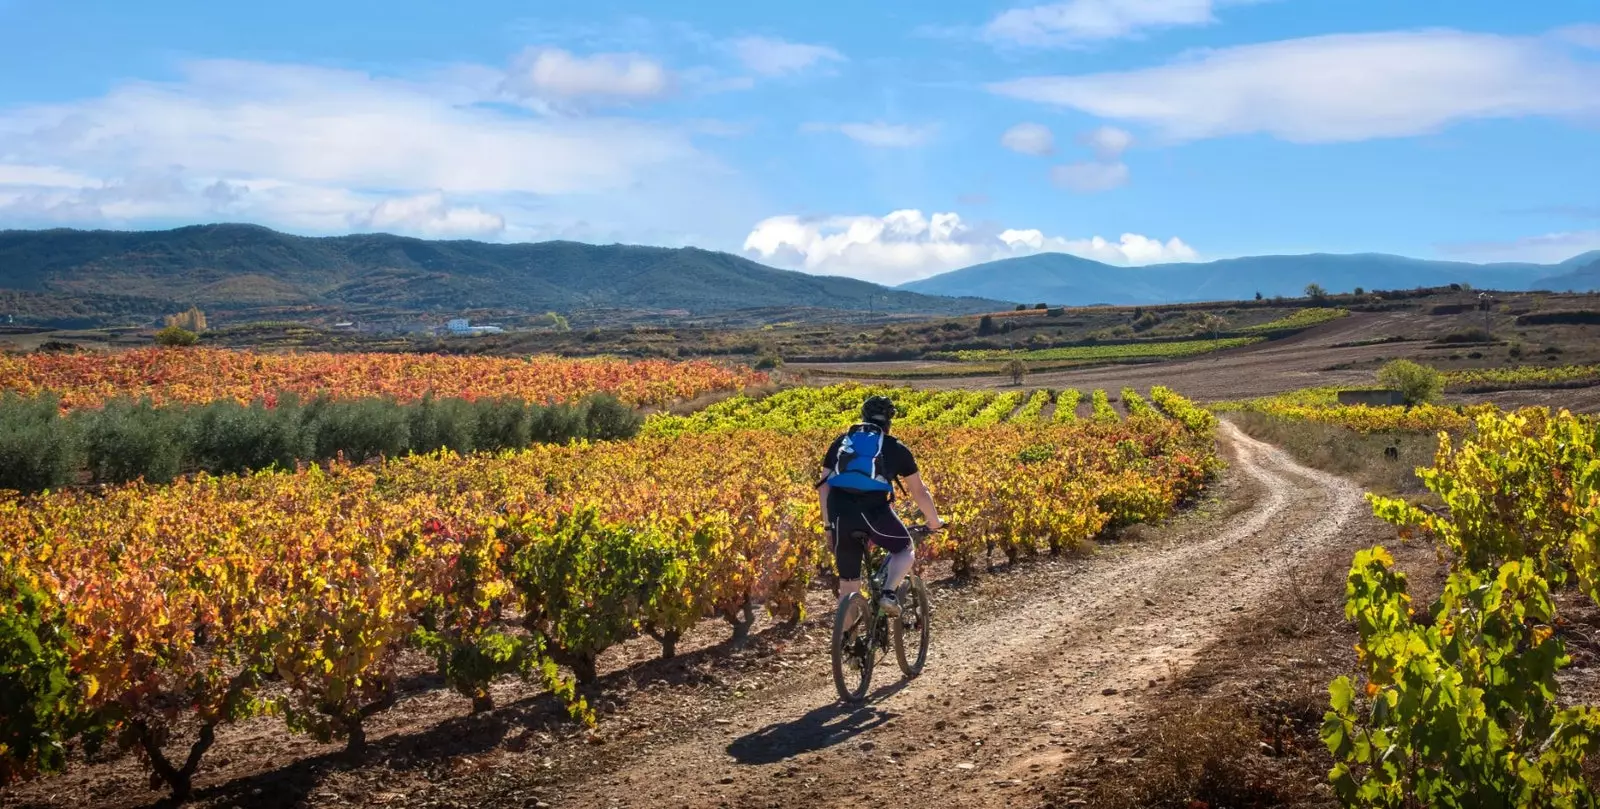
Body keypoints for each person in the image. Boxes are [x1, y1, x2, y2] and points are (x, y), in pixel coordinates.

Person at [818, 395, 943, 616]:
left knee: (848, 587)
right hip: (873, 513)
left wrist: (828, 525)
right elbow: (919, 492)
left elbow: (824, 486)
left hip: (839, 514)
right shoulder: (896, 448)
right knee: (904, 548)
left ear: (863, 417)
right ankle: (888, 593)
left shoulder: (841, 443)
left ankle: (846, 643)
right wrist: (934, 522)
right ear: (889, 422)